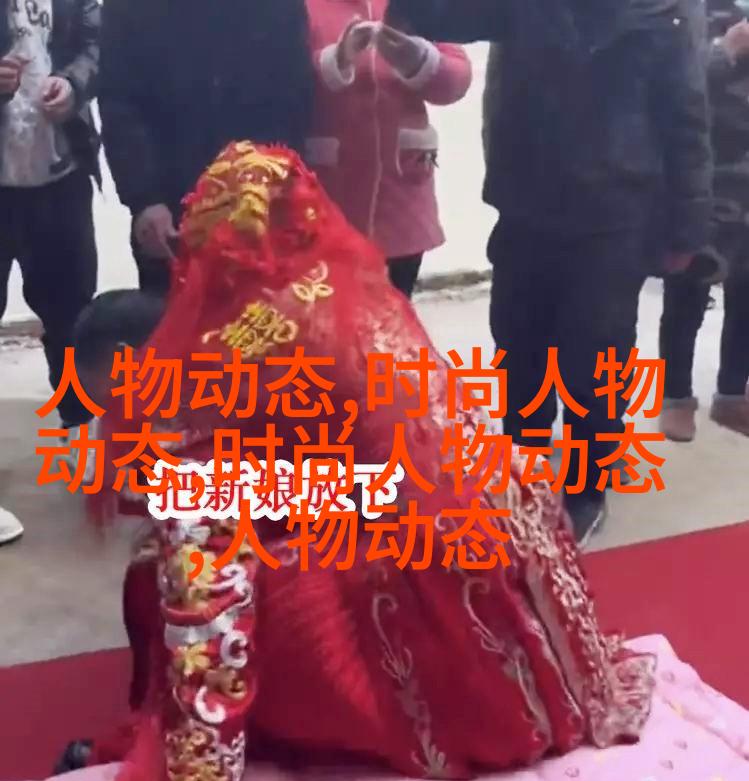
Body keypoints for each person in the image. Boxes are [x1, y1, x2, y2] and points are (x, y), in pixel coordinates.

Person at [52, 142, 656, 781]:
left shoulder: (213, 371)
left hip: (449, 619)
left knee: (167, 576)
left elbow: (211, 600)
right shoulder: (349, 288)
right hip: (519, 559)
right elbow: (368, 474)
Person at [387, 0, 713, 545]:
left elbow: (686, 119)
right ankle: (526, 470)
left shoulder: (661, 10)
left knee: (595, 358)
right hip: (527, 201)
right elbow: (450, 14)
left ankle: (587, 487)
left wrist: (687, 230)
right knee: (520, 348)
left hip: (615, 210)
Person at [98, 0, 316, 298]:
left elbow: (294, 95)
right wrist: (144, 199)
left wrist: (274, 185)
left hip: (259, 201)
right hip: (169, 210)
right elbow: (119, 104)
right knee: (171, 316)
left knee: (260, 318)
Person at [305, 2, 471, 298]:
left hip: (401, 200)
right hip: (328, 201)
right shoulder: (304, 6)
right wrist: (336, 61)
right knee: (329, 317)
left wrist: (418, 60)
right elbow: (284, 81)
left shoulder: (416, 6)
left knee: (395, 314)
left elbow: (456, 81)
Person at [0, 0, 100, 430]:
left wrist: (74, 84)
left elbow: (98, 43)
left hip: (62, 177)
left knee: (71, 319)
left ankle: (78, 432)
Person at [660, 0, 749, 442]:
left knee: (747, 297)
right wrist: (726, 50)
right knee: (687, 295)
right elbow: (671, 89)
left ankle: (732, 395)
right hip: (704, 180)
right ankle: (676, 397)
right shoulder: (685, 13)